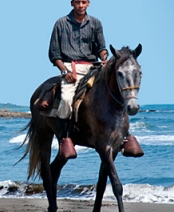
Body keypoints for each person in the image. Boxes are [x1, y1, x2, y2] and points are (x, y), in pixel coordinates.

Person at [48, 0, 144, 159]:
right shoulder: (60, 23)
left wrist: (104, 57)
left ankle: (126, 134)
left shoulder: (95, 23)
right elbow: (54, 54)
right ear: (72, 3)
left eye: (84, 2)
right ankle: (65, 139)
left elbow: (101, 48)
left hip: (93, 66)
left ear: (88, 4)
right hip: (70, 67)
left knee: (114, 93)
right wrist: (64, 72)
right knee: (66, 99)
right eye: (77, 2)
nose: (80, 5)